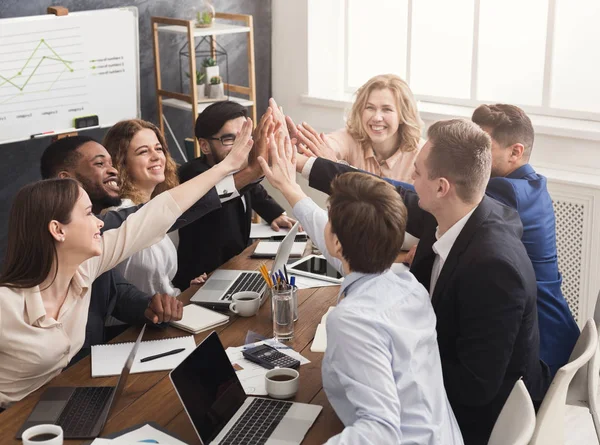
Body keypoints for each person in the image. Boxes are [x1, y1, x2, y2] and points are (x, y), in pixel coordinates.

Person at [299, 119, 551, 445]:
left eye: (416, 173)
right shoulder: (462, 214)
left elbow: (476, 386)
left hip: (470, 421)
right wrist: (300, 172)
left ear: (442, 187)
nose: (409, 181)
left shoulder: (494, 268)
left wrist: (394, 355)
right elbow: (381, 207)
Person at [0, 118, 253, 408]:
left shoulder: (86, 268)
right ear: (58, 230)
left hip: (62, 404)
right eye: (87, 215)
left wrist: (225, 167)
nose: (99, 222)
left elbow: (159, 213)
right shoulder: (6, 304)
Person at [256, 132, 463, 444]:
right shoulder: (405, 283)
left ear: (337, 242)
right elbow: (347, 257)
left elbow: (380, 431)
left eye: (330, 218)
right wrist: (289, 188)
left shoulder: (353, 320)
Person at [39, 136, 187, 363]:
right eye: (100, 164)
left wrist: (150, 307)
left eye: (111, 163)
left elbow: (117, 293)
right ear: (65, 180)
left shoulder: (94, 234)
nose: (113, 171)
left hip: (95, 368)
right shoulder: (48, 247)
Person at [471, 104, 580, 375]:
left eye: (482, 147)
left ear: (515, 152)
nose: (473, 155)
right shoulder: (532, 184)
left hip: (542, 354)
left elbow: (450, 198)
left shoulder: (506, 191)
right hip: (560, 334)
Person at [174, 102, 295, 287]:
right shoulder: (194, 174)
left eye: (245, 136)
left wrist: (274, 214)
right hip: (200, 283)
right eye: (229, 139)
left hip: (235, 269)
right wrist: (256, 169)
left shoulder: (238, 172)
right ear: (205, 146)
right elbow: (227, 190)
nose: (241, 145)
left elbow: (253, 190)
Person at [102, 119, 204, 296]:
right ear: (121, 162)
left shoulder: (158, 204)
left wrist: (185, 289)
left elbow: (159, 285)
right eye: (143, 151)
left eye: (158, 149)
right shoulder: (120, 215)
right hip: (132, 322)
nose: (156, 156)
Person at [284, 74, 424, 182]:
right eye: (370, 108)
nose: (376, 117)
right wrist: (301, 146)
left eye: (387, 109)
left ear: (402, 115)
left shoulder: (421, 154)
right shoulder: (351, 137)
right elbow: (331, 143)